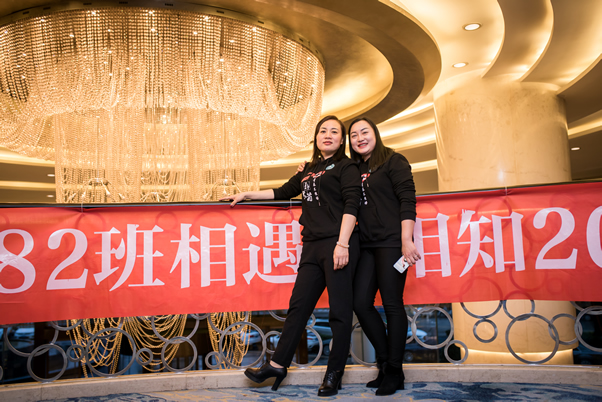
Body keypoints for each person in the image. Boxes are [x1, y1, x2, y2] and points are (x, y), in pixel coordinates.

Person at [220, 115, 361, 397]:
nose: (328, 135)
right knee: (298, 307)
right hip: (312, 245)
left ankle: (334, 373)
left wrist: (343, 244)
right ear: (316, 138)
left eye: (334, 131)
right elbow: (283, 191)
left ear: (342, 139)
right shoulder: (308, 168)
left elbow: (352, 204)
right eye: (323, 131)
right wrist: (247, 194)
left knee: (340, 312)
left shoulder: (347, 166)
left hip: (338, 243)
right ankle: (277, 365)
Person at [348, 117, 420, 396]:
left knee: (392, 304)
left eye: (364, 132)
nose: (360, 138)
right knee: (360, 303)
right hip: (366, 245)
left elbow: (407, 200)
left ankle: (394, 370)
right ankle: (387, 363)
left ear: (375, 134)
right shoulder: (353, 168)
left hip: (392, 243)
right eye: (354, 135)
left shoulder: (393, 160)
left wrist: (406, 240)